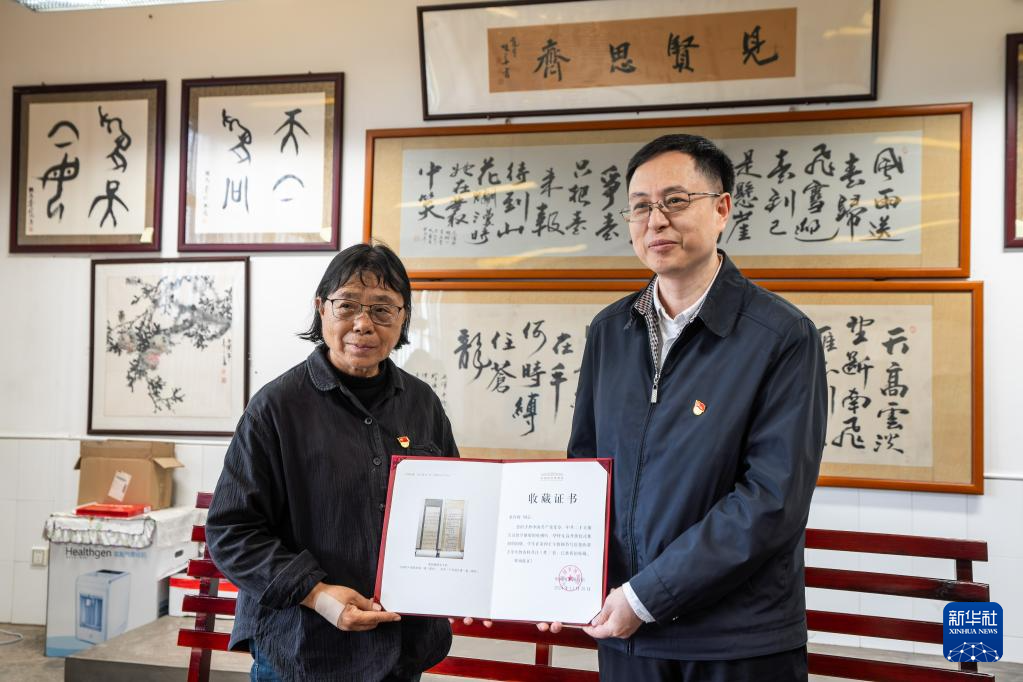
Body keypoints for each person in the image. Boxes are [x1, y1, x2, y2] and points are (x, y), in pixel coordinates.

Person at [551, 134, 828, 681]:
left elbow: (771, 500)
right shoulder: (609, 331)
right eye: (640, 206)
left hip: (736, 640)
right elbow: (586, 471)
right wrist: (560, 579)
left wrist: (645, 596)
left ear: (722, 209)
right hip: (626, 635)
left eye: (675, 201)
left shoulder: (782, 335)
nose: (656, 221)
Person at [206, 243, 458, 682]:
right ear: (321, 308)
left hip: (401, 648)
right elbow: (231, 531)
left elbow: (455, 505)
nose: (363, 323)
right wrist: (317, 594)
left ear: (403, 320)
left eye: (383, 309)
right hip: (303, 649)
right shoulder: (276, 407)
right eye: (348, 305)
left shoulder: (422, 404)